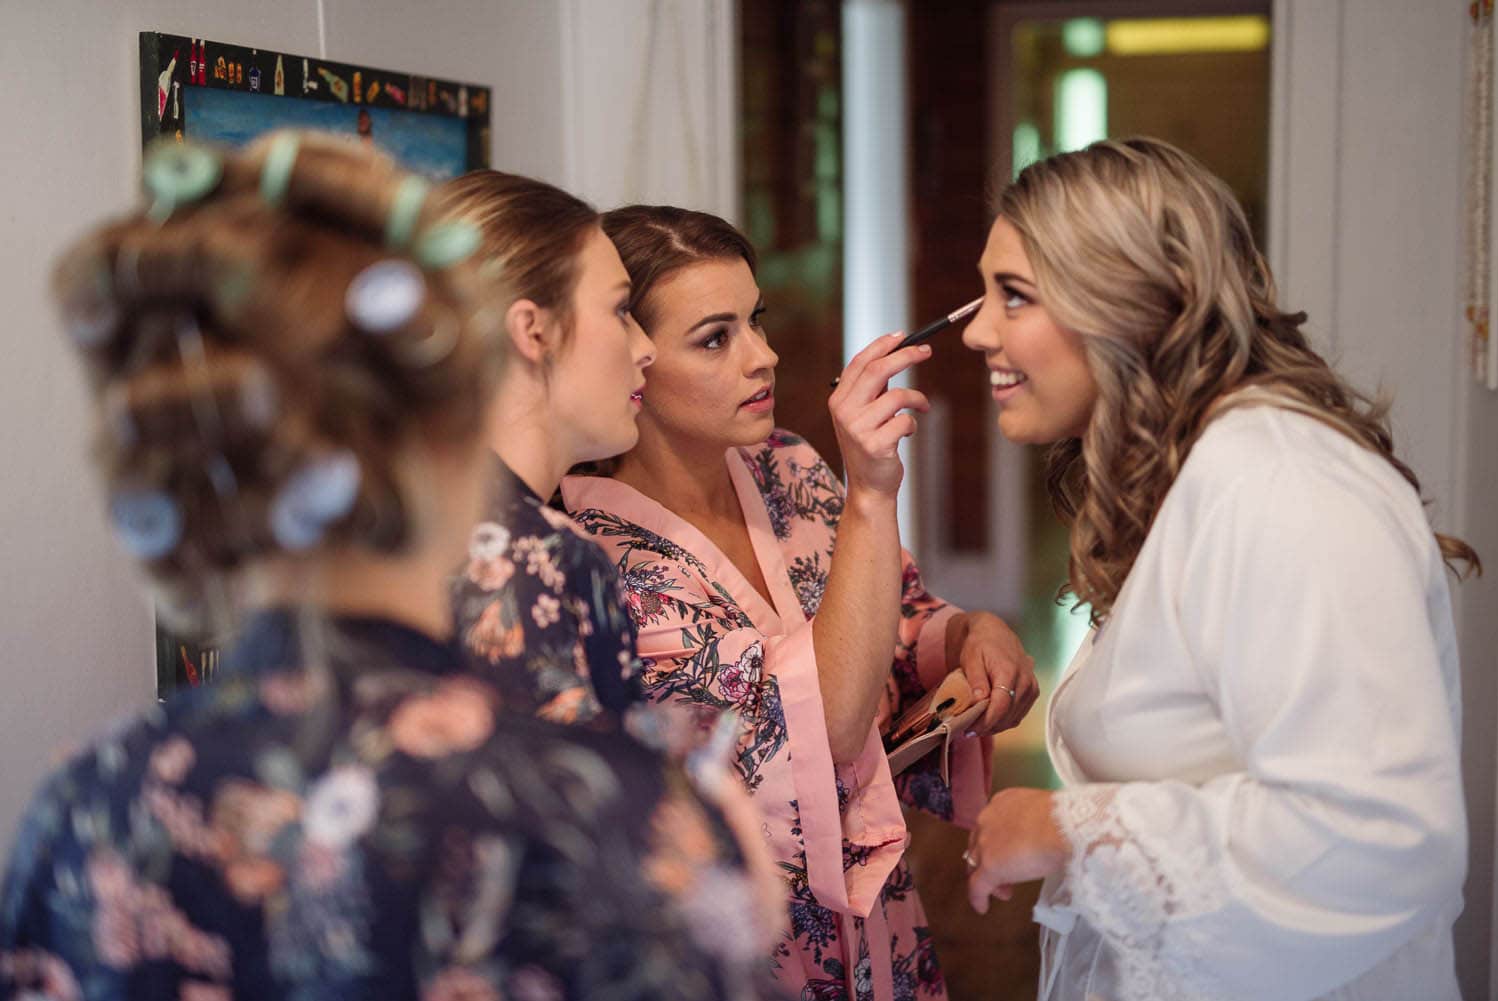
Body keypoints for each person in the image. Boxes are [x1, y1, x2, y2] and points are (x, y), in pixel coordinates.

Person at [0, 132, 780, 1000]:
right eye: (622, 311)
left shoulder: (86, 802)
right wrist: (722, 891)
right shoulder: (594, 810)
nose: (637, 345)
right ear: (455, 400)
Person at [959, 136, 1482, 1001]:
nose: (977, 330)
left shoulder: (1283, 484)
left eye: (1013, 295)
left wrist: (1066, 827)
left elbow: (1384, 837)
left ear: (1130, 302)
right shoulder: (1191, 473)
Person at [561, 204, 1038, 1001]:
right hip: (741, 958)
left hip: (880, 932)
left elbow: (898, 608)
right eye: (717, 337)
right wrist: (871, 498)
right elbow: (823, 723)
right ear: (631, 358)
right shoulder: (596, 558)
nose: (765, 356)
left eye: (757, 321)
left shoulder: (787, 466)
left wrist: (965, 635)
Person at [436, 171, 654, 729]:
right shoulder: (545, 555)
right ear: (533, 331)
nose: (645, 348)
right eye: (621, 310)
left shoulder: (416, 521)